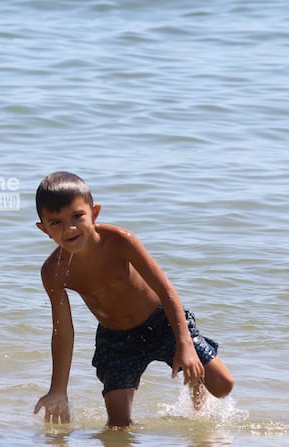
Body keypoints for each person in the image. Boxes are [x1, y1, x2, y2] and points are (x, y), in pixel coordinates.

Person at [32, 171, 234, 427]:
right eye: (56, 222)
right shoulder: (53, 271)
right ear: (44, 229)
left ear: (95, 213)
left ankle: (197, 391)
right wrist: (58, 389)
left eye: (77, 216)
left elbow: (165, 289)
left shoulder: (120, 241)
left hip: (163, 323)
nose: (69, 228)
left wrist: (185, 344)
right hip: (117, 340)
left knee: (223, 384)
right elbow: (63, 331)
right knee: (118, 423)